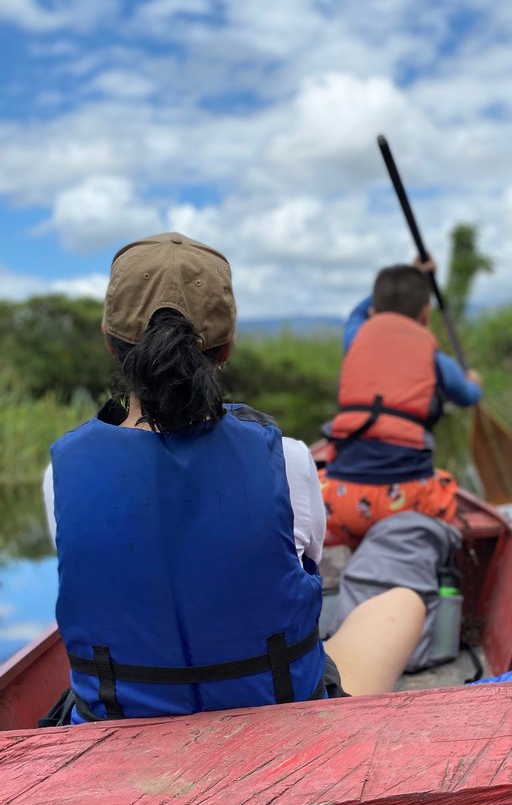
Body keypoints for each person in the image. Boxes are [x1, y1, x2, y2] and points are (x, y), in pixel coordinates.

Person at [43, 231, 425, 724]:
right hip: (279, 725)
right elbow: (296, 569)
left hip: (121, 733)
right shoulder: (288, 459)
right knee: (400, 602)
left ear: (110, 344)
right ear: (227, 347)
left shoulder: (61, 475)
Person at [319, 256, 483, 545]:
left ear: (374, 310)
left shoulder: (355, 338)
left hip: (344, 507)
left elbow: (357, 314)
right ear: (425, 315)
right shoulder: (436, 360)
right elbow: (467, 397)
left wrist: (412, 273)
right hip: (409, 506)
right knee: (445, 483)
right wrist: (474, 382)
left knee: (318, 478)